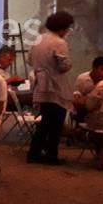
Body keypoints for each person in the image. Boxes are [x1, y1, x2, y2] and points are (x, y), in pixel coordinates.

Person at [27, 11, 75, 166]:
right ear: (63, 27)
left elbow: (29, 60)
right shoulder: (59, 42)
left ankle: (35, 151)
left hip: (41, 83)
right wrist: (69, 66)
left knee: (46, 120)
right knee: (56, 122)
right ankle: (50, 154)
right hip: (54, 84)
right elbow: (63, 66)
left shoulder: (38, 39)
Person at [72, 56, 103, 122]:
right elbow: (76, 94)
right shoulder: (82, 78)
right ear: (94, 68)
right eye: (102, 69)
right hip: (83, 109)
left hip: (100, 111)